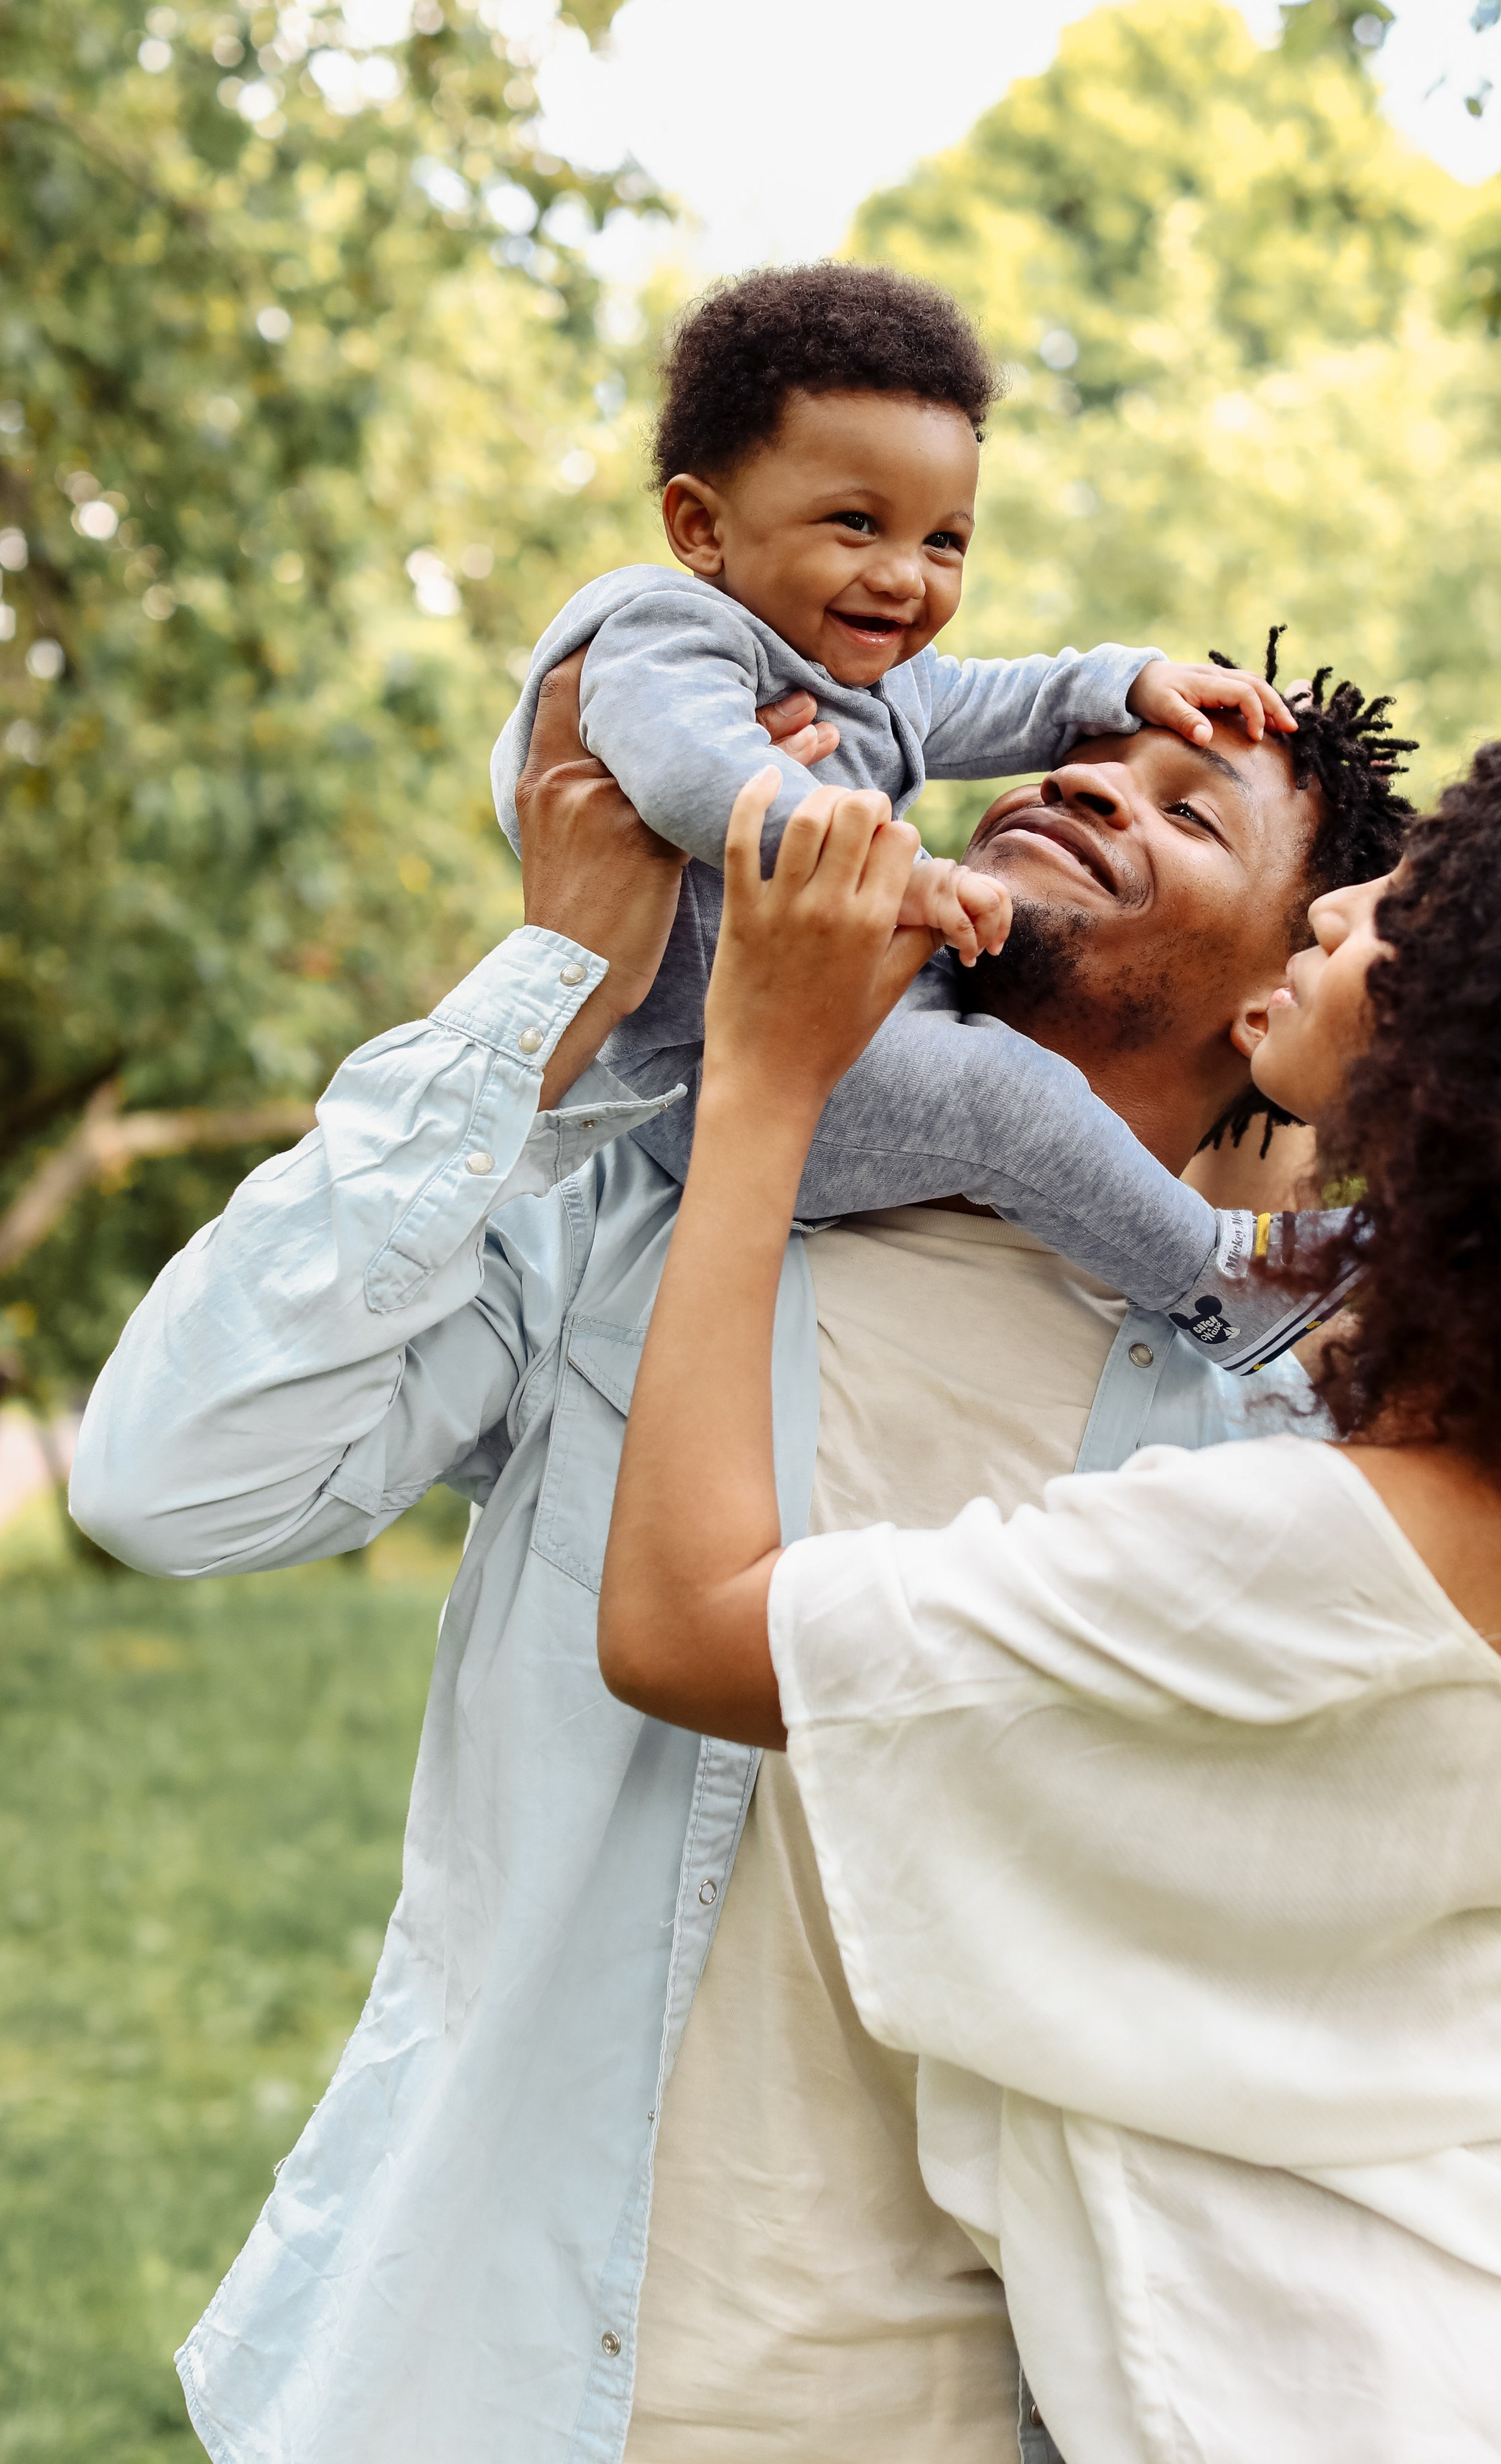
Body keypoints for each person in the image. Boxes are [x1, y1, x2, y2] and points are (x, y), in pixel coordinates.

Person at [69, 648, 1411, 2464]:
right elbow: (171, 1480)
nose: (1083, 787)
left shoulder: (1284, 1429)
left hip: (987, 2413)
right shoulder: (637, 1208)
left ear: (1279, 990)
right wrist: (560, 976)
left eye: (1190, 812)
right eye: (1077, 760)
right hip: (490, 2385)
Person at [598, 684, 1501, 2462]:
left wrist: (764, 1081)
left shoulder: (1311, 1554)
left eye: (1410, 914)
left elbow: (683, 1626)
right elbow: (1273, 1260)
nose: (1342, 906)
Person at [491, 263, 1384, 1365]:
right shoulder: (664, 635)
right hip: (710, 1064)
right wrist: (892, 872)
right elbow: (694, 777)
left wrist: (1126, 681)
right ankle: (1214, 1279)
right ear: (700, 526)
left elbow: (990, 701)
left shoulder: (860, 668)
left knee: (1000, 1088)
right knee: (1000, 1098)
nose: (904, 578)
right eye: (856, 523)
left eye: (944, 541)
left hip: (839, 1026)